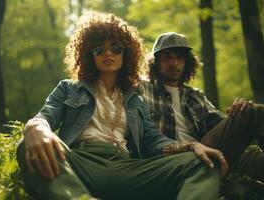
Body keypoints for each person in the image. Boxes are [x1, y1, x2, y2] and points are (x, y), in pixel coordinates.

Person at [16, 12, 227, 200]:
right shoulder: (69, 88)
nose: (108, 53)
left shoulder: (135, 99)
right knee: (28, 143)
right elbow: (46, 116)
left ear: (126, 54)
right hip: (80, 163)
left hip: (127, 168)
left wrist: (192, 146)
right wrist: (35, 127)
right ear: (88, 54)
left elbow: (154, 141)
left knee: (203, 163)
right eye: (99, 49)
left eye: (116, 48)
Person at [138, 32, 264, 182]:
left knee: (256, 155)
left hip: (205, 151)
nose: (173, 63)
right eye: (167, 57)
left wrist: (237, 112)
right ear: (156, 63)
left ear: (187, 62)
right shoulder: (142, 89)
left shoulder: (196, 96)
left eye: (179, 57)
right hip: (169, 156)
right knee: (252, 112)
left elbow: (221, 123)